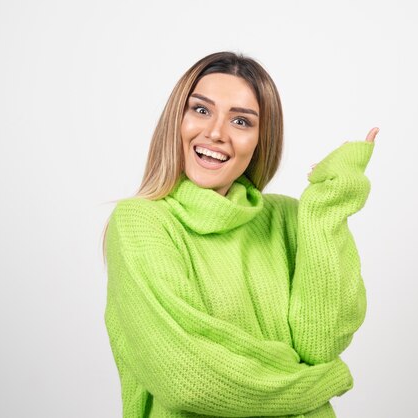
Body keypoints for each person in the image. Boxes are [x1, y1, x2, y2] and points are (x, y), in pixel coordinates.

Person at [102, 51, 379, 418]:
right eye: (201, 110)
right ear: (176, 120)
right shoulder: (142, 221)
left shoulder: (286, 218)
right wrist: (317, 382)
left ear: (261, 139)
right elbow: (188, 380)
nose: (215, 133)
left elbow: (320, 343)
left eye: (241, 121)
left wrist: (327, 205)